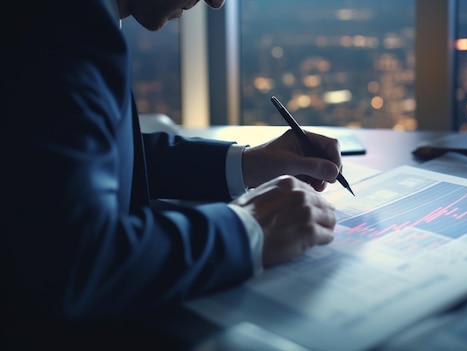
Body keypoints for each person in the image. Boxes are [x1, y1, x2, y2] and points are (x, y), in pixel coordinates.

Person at [1, 0, 341, 348]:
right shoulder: (61, 28)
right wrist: (248, 228)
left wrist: (246, 163)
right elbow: (76, 260)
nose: (217, 2)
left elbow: (68, 163)